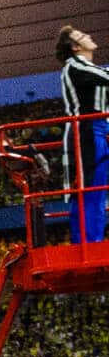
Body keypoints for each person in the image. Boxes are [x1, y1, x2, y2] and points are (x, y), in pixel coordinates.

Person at [55, 25, 109, 241]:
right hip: (86, 131)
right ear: (75, 47)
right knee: (90, 188)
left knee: (97, 188)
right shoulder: (75, 65)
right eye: (81, 35)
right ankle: (88, 243)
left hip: (97, 129)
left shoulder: (88, 68)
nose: (89, 35)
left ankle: (91, 241)